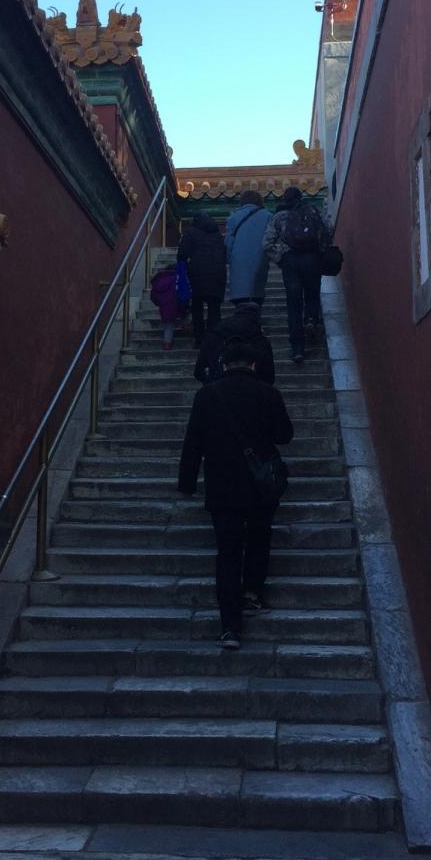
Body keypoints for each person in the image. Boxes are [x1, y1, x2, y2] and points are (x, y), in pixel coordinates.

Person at [177, 339, 294, 649]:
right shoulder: (269, 393)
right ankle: (252, 593)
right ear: (253, 364)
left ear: (224, 364)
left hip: (222, 486)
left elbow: (193, 442)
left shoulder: (207, 395)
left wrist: (187, 483)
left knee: (227, 553)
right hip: (260, 486)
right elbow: (285, 435)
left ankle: (230, 627)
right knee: (259, 538)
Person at [263, 185, 328, 364]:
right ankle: (311, 319)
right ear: (301, 198)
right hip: (312, 259)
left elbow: (266, 243)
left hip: (290, 261)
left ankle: (298, 349)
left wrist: (279, 258)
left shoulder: (279, 217)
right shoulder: (313, 211)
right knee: (312, 294)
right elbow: (328, 229)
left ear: (285, 200)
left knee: (293, 305)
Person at [193, 301, 275, 385]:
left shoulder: (217, 332)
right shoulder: (260, 339)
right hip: (253, 388)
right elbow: (269, 376)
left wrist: (209, 383)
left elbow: (199, 371)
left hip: (218, 386)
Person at [177, 214, 226, 345]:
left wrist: (182, 267)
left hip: (196, 274)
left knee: (197, 307)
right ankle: (213, 340)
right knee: (214, 309)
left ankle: (200, 339)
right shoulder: (217, 234)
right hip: (217, 274)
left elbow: (182, 253)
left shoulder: (190, 232)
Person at [224, 191, 271, 306]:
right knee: (256, 296)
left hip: (238, 261)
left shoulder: (233, 218)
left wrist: (228, 258)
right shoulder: (268, 216)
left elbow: (228, 243)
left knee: (240, 298)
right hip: (260, 259)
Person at [149, 263, 186, 351]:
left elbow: (153, 296)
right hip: (176, 303)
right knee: (185, 310)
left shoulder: (159, 280)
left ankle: (167, 342)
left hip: (164, 306)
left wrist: (160, 302)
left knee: (168, 323)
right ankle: (186, 326)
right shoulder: (177, 278)